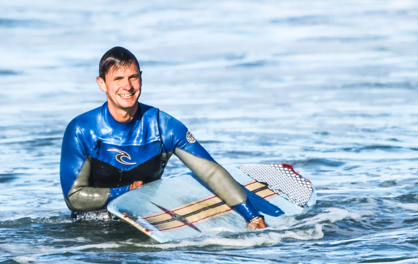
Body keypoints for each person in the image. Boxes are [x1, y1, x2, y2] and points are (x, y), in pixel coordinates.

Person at [60, 46, 267, 230]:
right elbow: (74, 198)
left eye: (133, 77)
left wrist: (253, 217)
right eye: (118, 79)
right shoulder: (82, 130)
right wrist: (126, 191)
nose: (128, 86)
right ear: (102, 83)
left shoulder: (164, 127)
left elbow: (211, 174)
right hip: (90, 229)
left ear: (141, 78)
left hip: (145, 226)